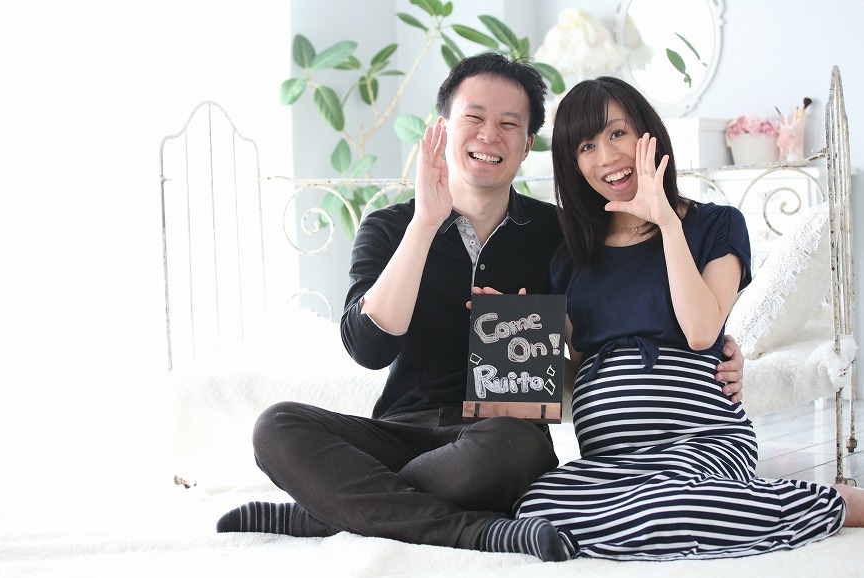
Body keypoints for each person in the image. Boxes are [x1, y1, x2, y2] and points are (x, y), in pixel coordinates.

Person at [215, 54, 746, 561]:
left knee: (513, 449)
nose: (490, 135)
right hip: (402, 433)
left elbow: (604, 336)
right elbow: (369, 349)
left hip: (500, 439)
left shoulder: (560, 236)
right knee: (276, 427)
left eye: (509, 123)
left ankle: (330, 511)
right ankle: (473, 530)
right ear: (444, 127)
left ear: (528, 144)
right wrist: (425, 224)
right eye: (474, 118)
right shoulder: (390, 227)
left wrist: (718, 349)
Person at [513, 75, 864, 560]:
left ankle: (835, 504)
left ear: (648, 134)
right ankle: (689, 514)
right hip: (612, 460)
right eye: (586, 146)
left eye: (617, 133)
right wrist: (520, 340)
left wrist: (665, 221)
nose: (606, 156)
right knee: (536, 502)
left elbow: (701, 332)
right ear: (573, 164)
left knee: (665, 505)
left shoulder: (715, 225)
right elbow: (572, 367)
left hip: (701, 440)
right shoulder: (571, 257)